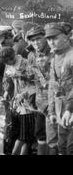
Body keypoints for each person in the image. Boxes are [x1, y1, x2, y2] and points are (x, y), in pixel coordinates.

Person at [26, 25, 57, 155]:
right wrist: (29, 93)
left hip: (55, 100)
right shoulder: (31, 55)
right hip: (40, 101)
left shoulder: (55, 52)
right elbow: (31, 78)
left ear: (46, 37)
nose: (36, 43)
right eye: (32, 40)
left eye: (38, 39)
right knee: (40, 133)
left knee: (54, 136)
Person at [45, 23, 73, 155]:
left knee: (70, 148)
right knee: (61, 147)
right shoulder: (55, 57)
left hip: (70, 109)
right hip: (61, 109)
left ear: (66, 38)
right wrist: (51, 111)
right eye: (49, 39)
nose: (51, 42)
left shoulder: (71, 56)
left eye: (55, 38)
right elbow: (52, 86)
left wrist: (70, 109)